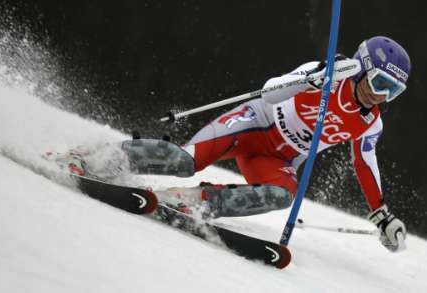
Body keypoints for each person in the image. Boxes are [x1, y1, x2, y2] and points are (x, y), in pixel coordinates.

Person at [57, 36, 410, 252]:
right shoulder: (331, 71)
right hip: (255, 122)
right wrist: (309, 81)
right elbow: (273, 90)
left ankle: (195, 202)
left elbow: (365, 164)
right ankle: (93, 157)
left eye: (392, 91)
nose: (380, 95)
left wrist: (382, 215)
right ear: (363, 67)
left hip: (278, 157)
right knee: (185, 162)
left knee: (282, 193)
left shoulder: (370, 121)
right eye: (379, 82)